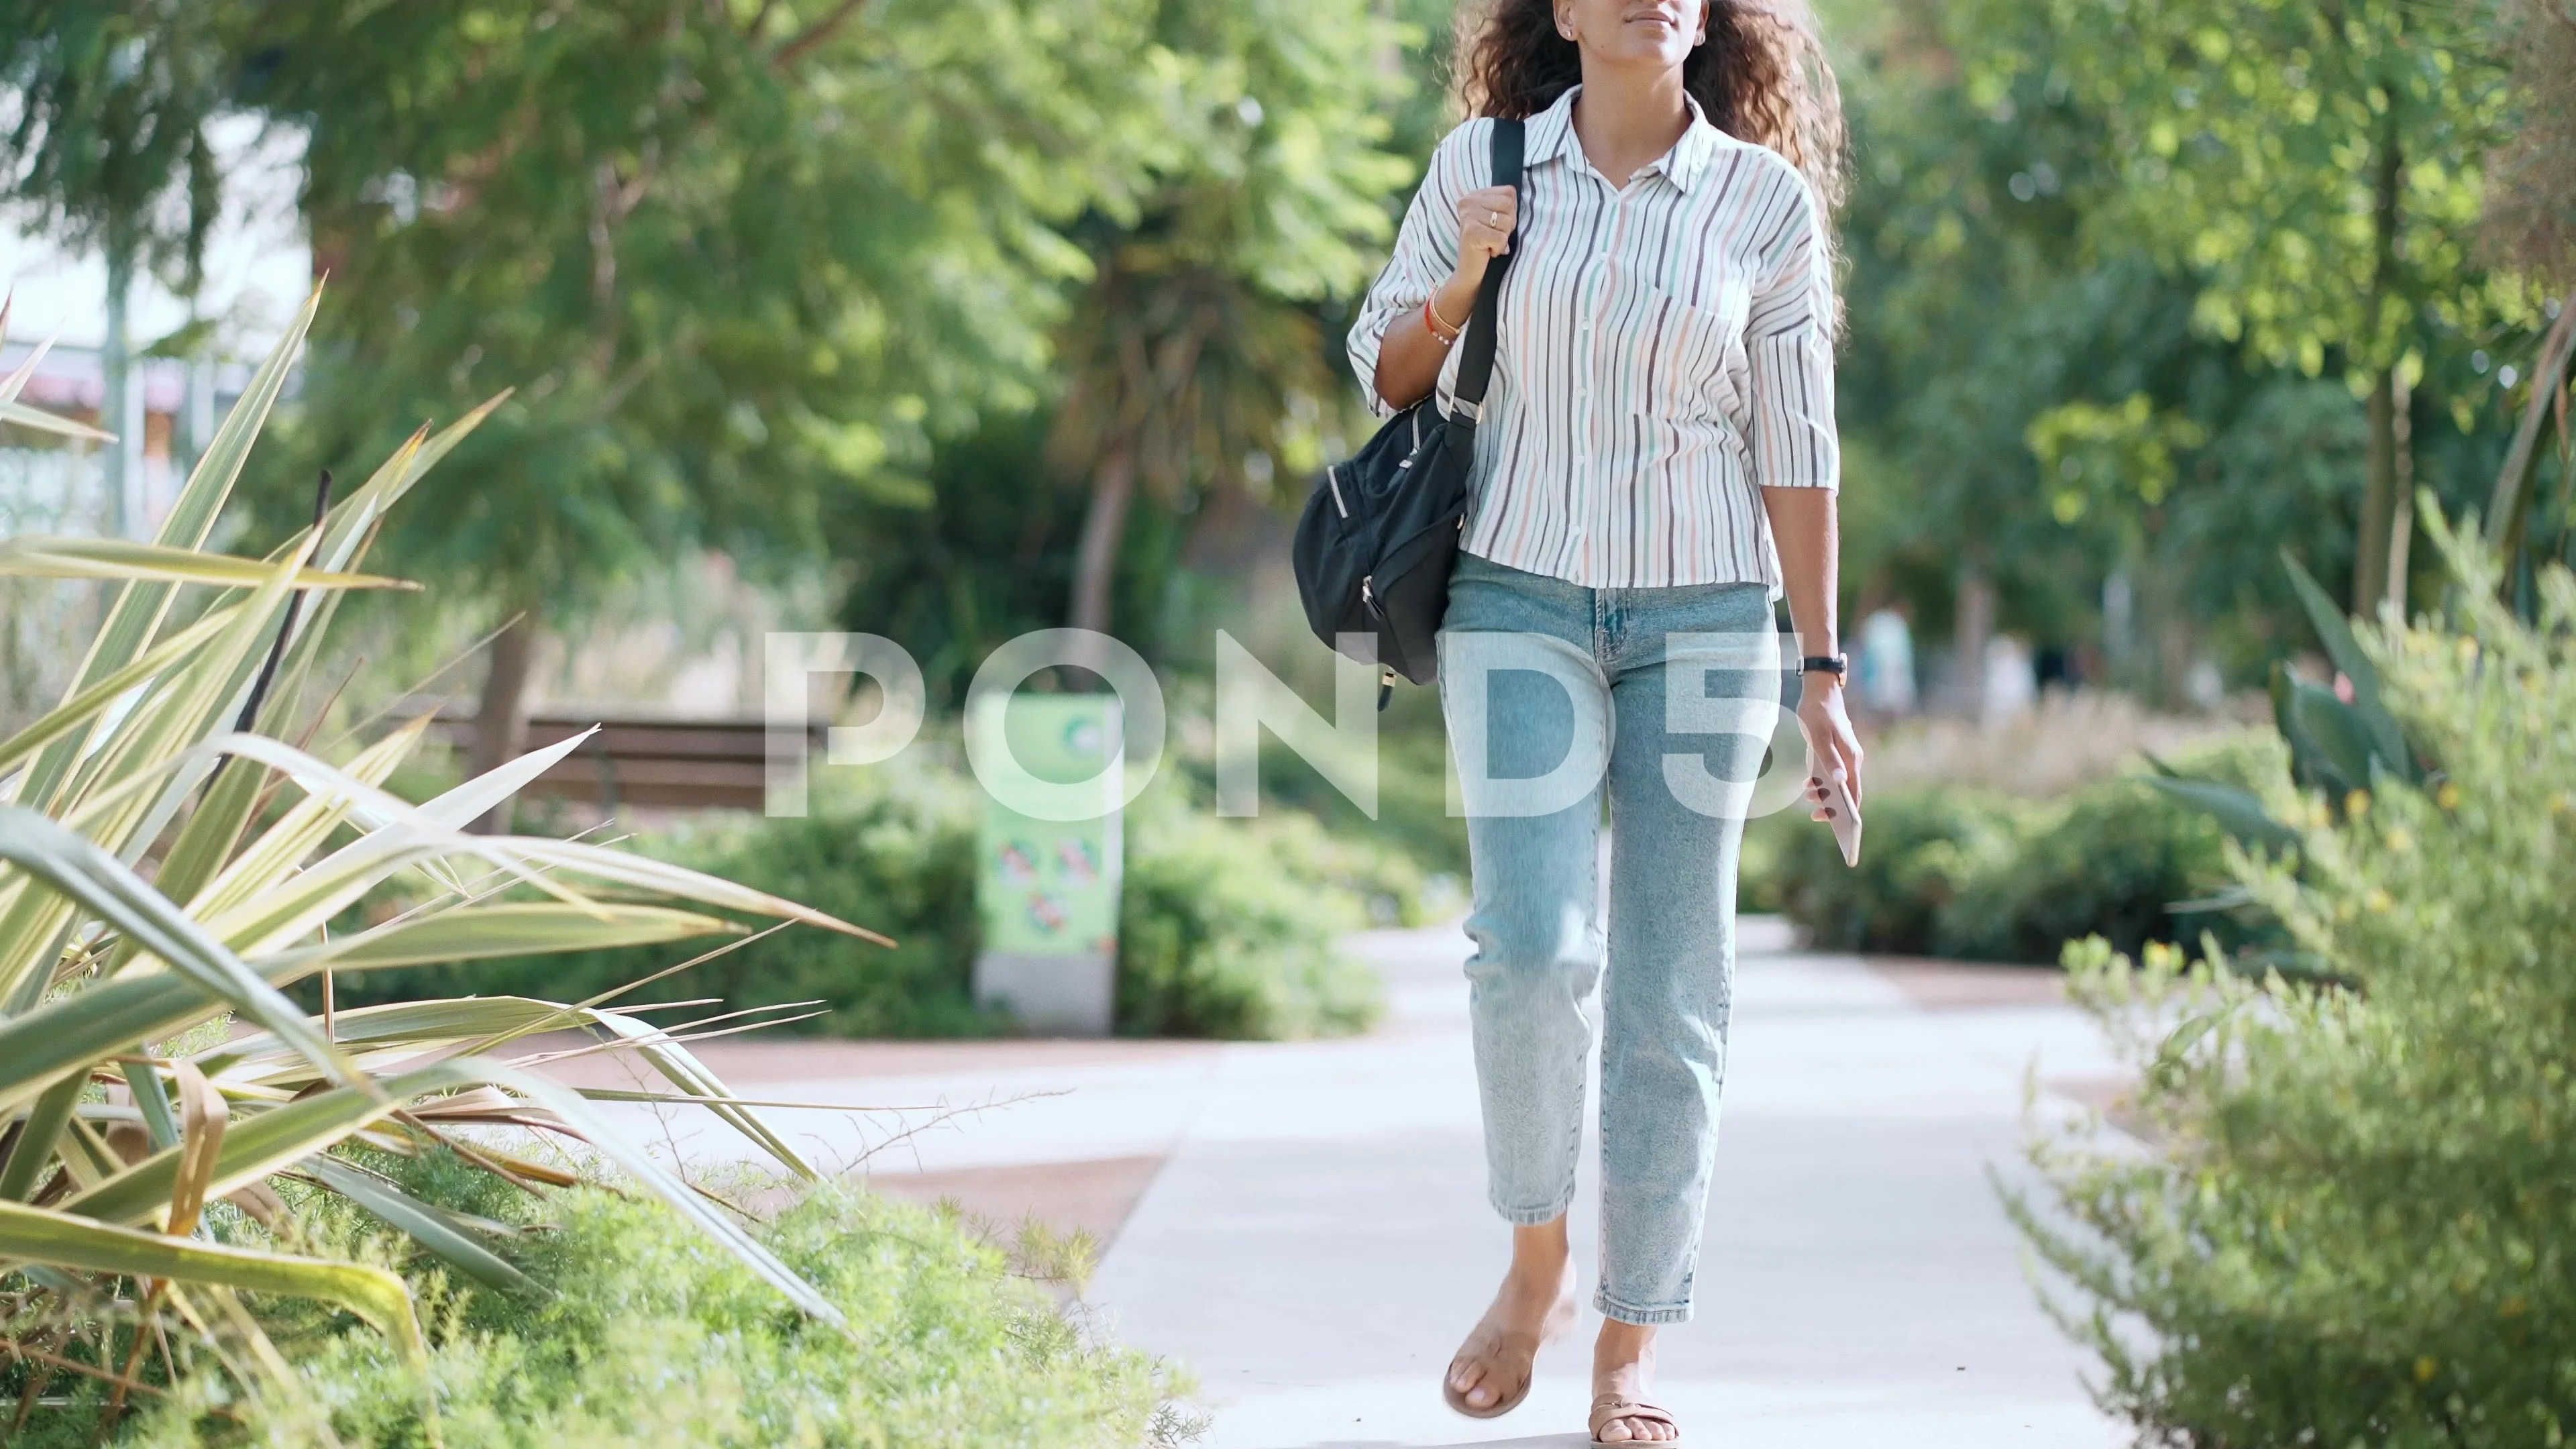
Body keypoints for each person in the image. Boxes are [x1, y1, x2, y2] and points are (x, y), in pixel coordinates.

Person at [1346, 1, 1858, 1442]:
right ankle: (1536, 1265)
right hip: (1517, 601)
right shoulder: (1484, 163)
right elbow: (1385, 371)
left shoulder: (1761, 203)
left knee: (1671, 995)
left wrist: (1821, 676)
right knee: (1526, 952)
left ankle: (1627, 1349)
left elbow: (1800, 446)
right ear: (1564, 13)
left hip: (1705, 621)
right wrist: (1461, 284)